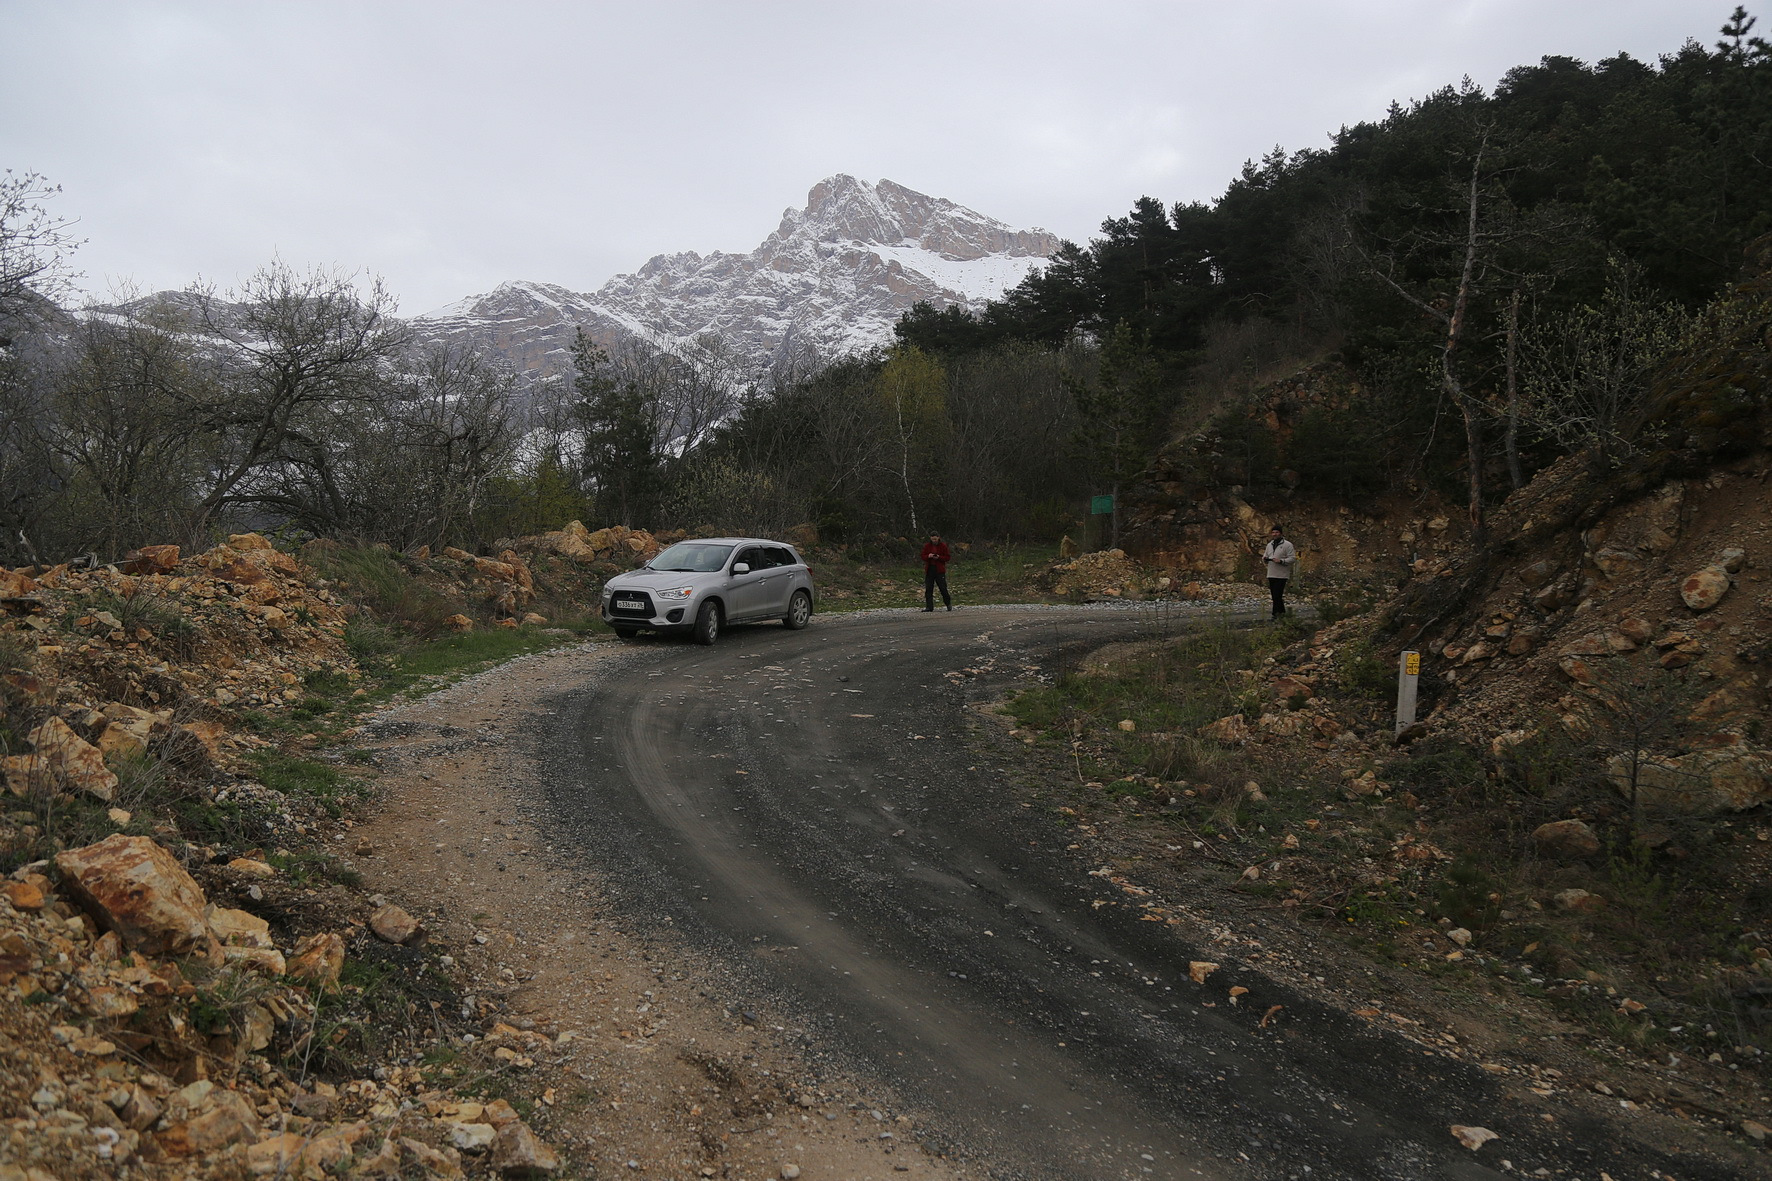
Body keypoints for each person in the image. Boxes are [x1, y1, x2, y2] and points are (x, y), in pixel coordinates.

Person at [1261, 525, 1296, 619]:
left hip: (1282, 574)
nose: (1274, 534)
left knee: (1277, 594)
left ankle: (1275, 614)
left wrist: (1281, 561)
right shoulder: (1269, 545)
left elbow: (1292, 558)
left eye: (1276, 532)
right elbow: (1265, 555)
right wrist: (1265, 559)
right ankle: (1282, 613)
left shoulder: (1287, 545)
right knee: (1274, 595)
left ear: (1280, 533)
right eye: (1273, 532)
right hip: (1271, 573)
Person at [920, 532, 952, 612]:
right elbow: (923, 556)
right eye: (932, 539)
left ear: (938, 538)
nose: (934, 540)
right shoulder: (927, 546)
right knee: (929, 588)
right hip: (930, 569)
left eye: (935, 539)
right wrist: (928, 556)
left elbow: (947, 557)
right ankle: (929, 607)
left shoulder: (943, 546)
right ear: (930, 538)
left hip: (939, 570)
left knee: (943, 588)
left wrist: (939, 557)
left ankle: (948, 603)